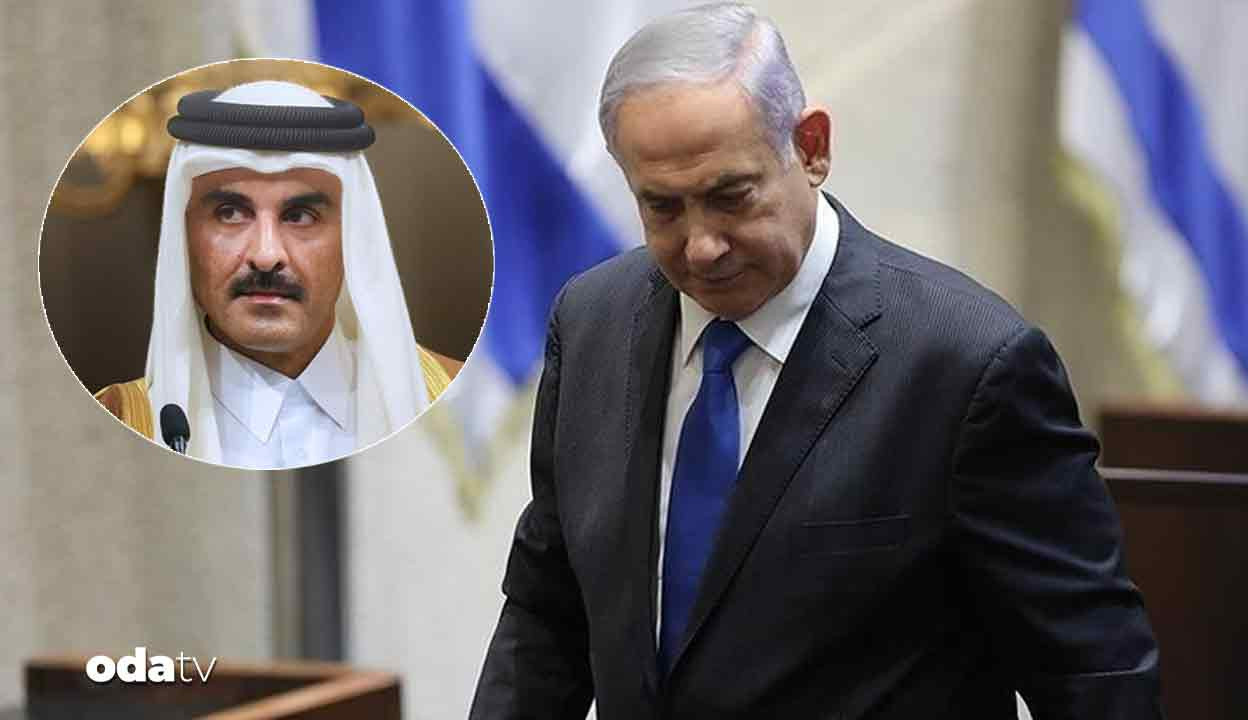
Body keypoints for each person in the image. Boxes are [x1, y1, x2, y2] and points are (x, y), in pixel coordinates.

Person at [471, 4, 1162, 718]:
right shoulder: (592, 324)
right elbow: (548, 614)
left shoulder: (969, 367)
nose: (702, 245)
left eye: (730, 197)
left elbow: (1095, 674)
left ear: (811, 148)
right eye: (663, 208)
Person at [95, 80, 462, 469]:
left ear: (353, 237)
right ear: (184, 236)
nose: (266, 255)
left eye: (300, 216)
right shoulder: (122, 422)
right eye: (230, 214)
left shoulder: (452, 404)